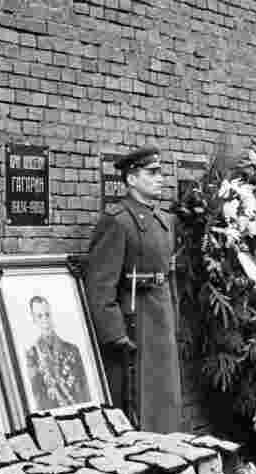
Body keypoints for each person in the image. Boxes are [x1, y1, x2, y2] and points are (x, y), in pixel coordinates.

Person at [85, 145, 183, 433]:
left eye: (161, 173)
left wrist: (174, 317)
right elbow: (100, 284)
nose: (160, 179)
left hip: (161, 316)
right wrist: (114, 334)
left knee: (166, 397)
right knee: (141, 401)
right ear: (131, 179)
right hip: (135, 320)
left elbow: (169, 275)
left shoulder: (165, 221)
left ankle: (171, 460)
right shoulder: (118, 221)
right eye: (151, 173)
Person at [25, 295, 90, 410]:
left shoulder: (72, 350)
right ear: (34, 320)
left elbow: (84, 390)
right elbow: (37, 396)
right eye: (40, 316)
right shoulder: (32, 355)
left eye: (47, 315)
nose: (45, 320)